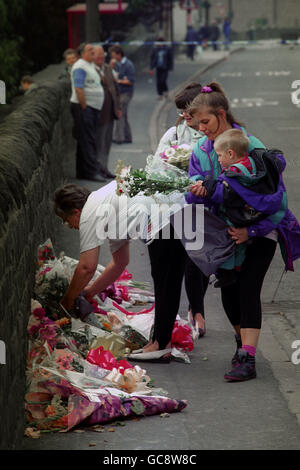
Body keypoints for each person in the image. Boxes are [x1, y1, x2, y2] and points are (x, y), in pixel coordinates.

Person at [186, 82, 300, 382]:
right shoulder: (201, 149)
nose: (201, 129)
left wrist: (252, 231)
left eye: (206, 122)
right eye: (198, 124)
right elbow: (192, 188)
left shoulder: (254, 145)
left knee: (249, 288)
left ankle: (248, 358)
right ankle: (241, 347)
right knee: (229, 289)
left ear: (221, 114)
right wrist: (197, 191)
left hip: (261, 233)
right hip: (225, 234)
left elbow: (278, 200)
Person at [70, 43, 105, 182]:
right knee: (88, 140)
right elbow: (79, 88)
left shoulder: (88, 64)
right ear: (82, 53)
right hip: (84, 107)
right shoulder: (80, 66)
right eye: (90, 50)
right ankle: (91, 172)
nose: (93, 52)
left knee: (84, 140)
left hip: (90, 107)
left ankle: (82, 171)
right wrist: (84, 107)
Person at [93, 46, 122, 179]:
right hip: (99, 113)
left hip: (111, 112)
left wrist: (119, 107)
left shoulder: (107, 68)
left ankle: (104, 168)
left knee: (107, 142)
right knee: (98, 143)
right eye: (98, 56)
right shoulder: (91, 69)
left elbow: (115, 89)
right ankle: (97, 169)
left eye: (102, 56)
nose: (101, 58)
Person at [109, 45, 135, 144]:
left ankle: (118, 138)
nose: (112, 58)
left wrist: (118, 81)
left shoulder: (128, 65)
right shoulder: (117, 64)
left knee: (119, 113)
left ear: (119, 54)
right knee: (123, 114)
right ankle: (128, 137)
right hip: (120, 93)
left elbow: (130, 81)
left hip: (126, 92)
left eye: (113, 55)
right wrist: (111, 66)